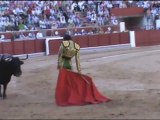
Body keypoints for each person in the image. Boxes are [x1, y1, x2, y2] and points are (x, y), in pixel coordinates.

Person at [55, 34, 111, 106]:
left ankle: (64, 96)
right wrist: (79, 72)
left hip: (63, 65)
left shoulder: (63, 45)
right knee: (71, 83)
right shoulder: (76, 46)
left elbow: (60, 55)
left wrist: (59, 65)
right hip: (69, 66)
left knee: (64, 83)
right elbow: (77, 60)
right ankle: (73, 95)